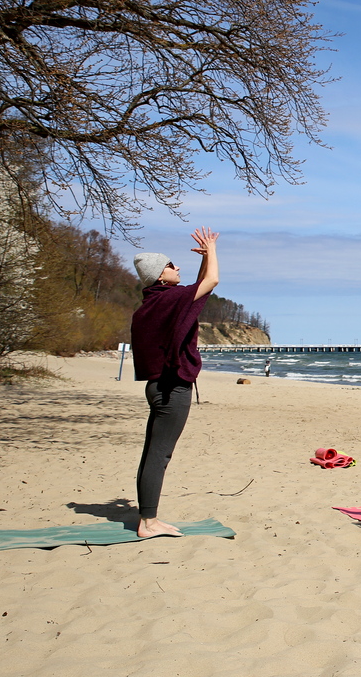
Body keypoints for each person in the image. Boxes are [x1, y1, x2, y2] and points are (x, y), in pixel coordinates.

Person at [130, 228, 220, 538]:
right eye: (170, 265)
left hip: (157, 387)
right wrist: (212, 252)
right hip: (172, 389)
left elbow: (194, 293)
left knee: (151, 452)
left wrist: (205, 259)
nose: (176, 267)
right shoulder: (167, 301)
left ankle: (147, 516)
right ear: (159, 276)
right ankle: (148, 522)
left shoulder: (151, 305)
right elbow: (210, 284)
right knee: (160, 454)